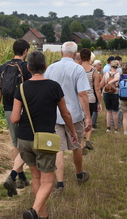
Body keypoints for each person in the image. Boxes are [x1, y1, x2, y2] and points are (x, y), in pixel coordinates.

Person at [11, 51, 77, 219]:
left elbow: (15, 118)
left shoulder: (22, 88)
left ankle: (43, 214)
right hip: (45, 139)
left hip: (25, 139)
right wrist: (72, 131)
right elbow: (66, 114)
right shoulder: (54, 86)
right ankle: (34, 211)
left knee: (35, 177)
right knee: (48, 180)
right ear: (45, 67)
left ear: (28, 67)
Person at [44, 41, 92, 194]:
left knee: (58, 149)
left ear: (61, 52)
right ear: (75, 53)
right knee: (76, 145)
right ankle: (79, 175)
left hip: (55, 113)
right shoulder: (78, 69)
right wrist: (88, 117)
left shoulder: (51, 68)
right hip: (74, 114)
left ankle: (60, 184)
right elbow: (82, 94)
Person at [0, 39, 32, 196]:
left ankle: (20, 176)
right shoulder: (27, 67)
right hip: (24, 109)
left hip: (8, 109)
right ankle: (18, 176)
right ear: (25, 52)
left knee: (15, 142)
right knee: (26, 143)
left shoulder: (2, 68)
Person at [80, 49, 102, 150]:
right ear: (90, 58)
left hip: (79, 98)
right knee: (88, 119)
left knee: (80, 121)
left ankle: (81, 143)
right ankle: (88, 140)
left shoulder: (77, 69)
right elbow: (97, 89)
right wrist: (100, 102)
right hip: (91, 99)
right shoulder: (94, 72)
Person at [100, 60, 120, 133]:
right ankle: (116, 128)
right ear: (117, 66)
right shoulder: (118, 75)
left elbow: (101, 84)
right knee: (115, 111)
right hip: (115, 93)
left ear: (111, 66)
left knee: (108, 111)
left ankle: (108, 127)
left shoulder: (106, 74)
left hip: (106, 92)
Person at [91, 60, 103, 129]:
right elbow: (101, 80)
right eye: (100, 65)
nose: (101, 66)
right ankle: (93, 123)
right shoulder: (96, 73)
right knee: (95, 107)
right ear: (96, 65)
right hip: (94, 91)